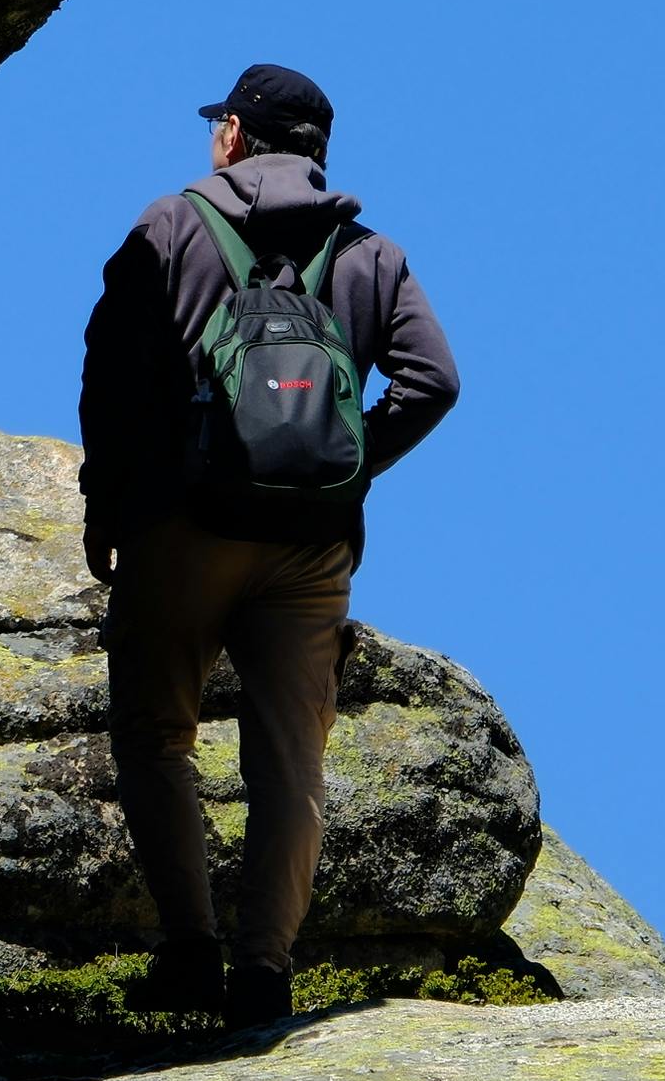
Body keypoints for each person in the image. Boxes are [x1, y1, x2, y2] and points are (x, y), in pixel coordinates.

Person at [77, 63, 460, 1027]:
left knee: (157, 733)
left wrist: (106, 503)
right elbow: (435, 382)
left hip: (183, 526)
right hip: (311, 548)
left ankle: (189, 951)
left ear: (236, 136)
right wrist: (352, 463)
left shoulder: (169, 226)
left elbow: (112, 374)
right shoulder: (372, 255)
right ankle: (264, 971)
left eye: (220, 125)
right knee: (291, 759)